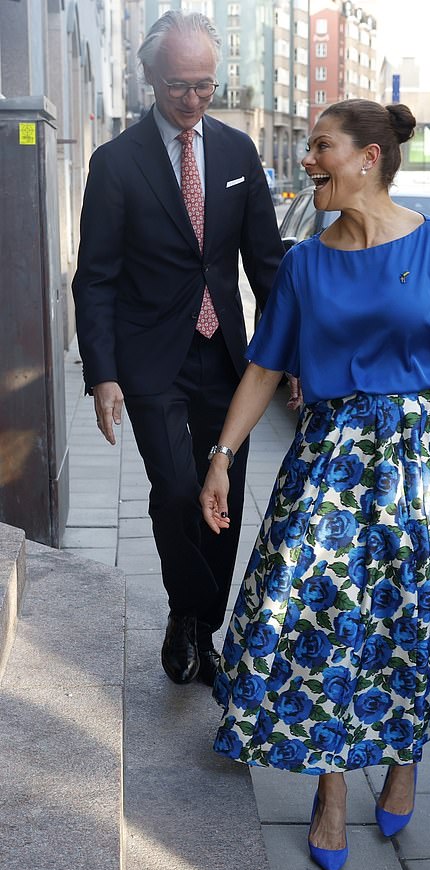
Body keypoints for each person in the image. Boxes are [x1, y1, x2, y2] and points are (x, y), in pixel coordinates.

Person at [200, 99, 430, 870]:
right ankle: (332, 792)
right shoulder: (305, 262)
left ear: (369, 158)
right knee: (321, 621)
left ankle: (404, 757)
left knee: (408, 624)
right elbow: (265, 366)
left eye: (322, 147)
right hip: (330, 464)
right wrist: (222, 455)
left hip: (424, 462)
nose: (308, 161)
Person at [72, 11, 285, 687]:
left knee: (225, 494)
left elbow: (267, 265)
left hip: (225, 355)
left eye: (205, 86)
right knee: (173, 490)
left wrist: (290, 357)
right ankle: (186, 610)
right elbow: (95, 278)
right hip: (150, 360)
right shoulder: (115, 163)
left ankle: (201, 626)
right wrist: (103, 373)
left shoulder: (237, 153)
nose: (193, 100)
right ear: (149, 78)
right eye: (178, 86)